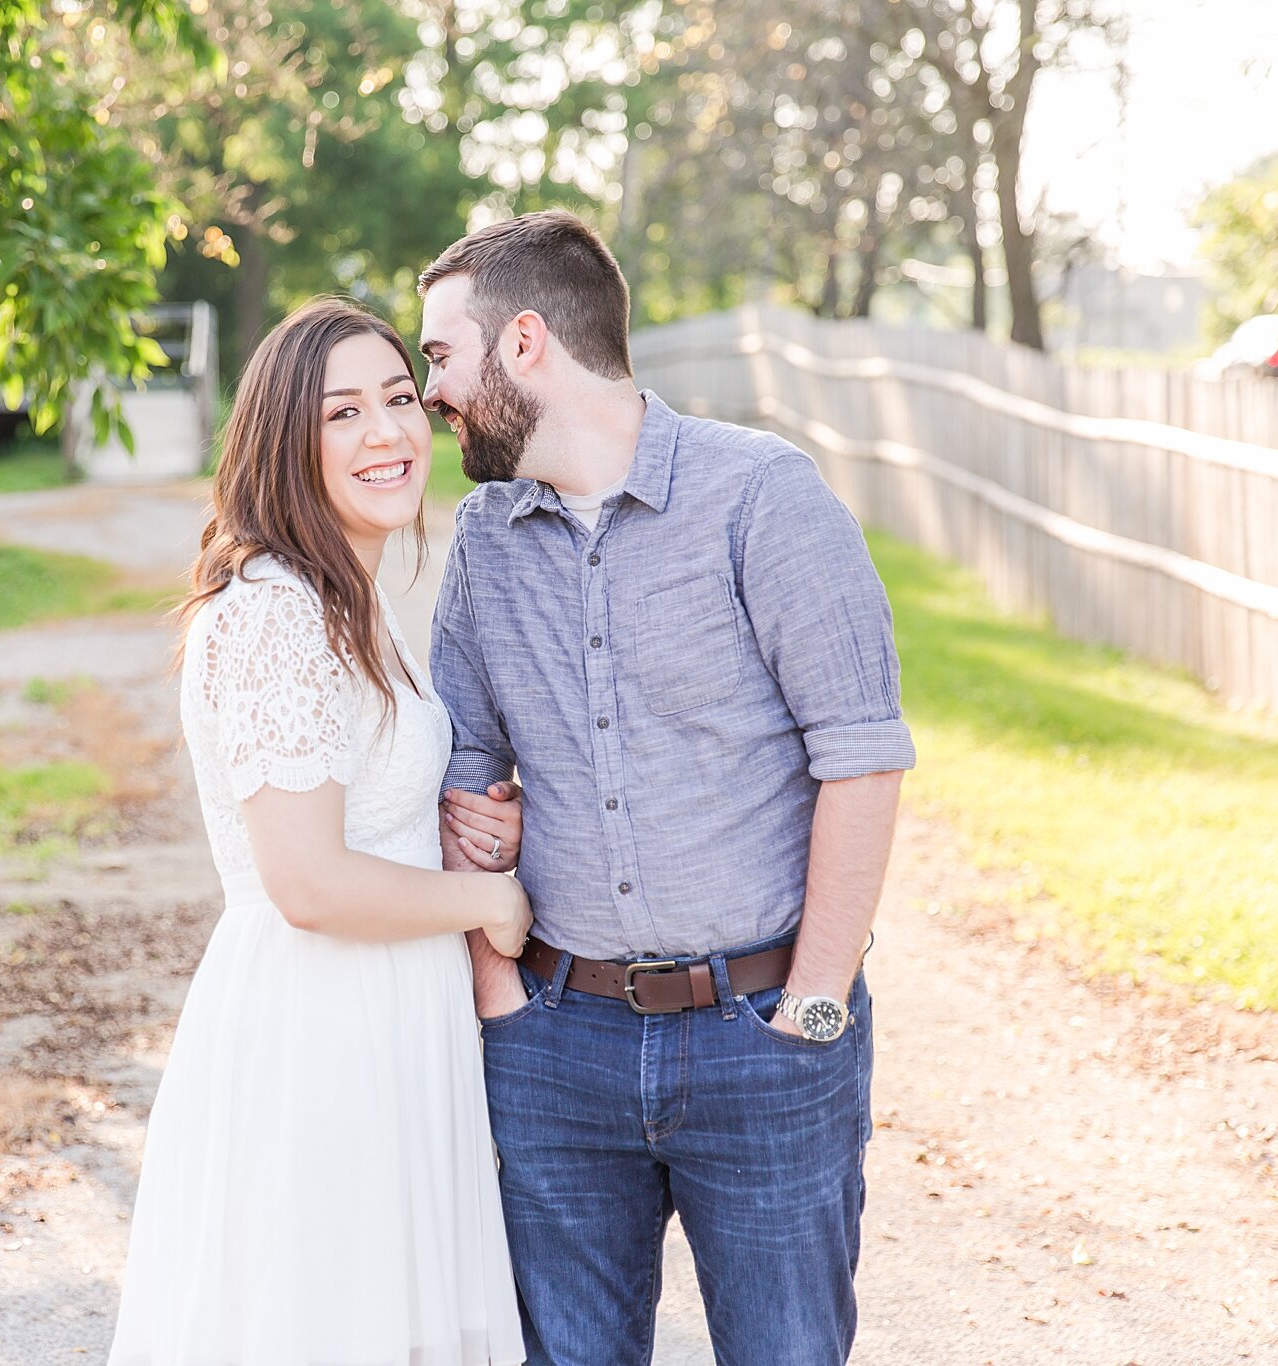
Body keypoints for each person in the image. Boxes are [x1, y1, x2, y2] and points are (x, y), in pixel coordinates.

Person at [423, 211, 916, 1366]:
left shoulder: (762, 499)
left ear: (525, 343)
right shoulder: (484, 542)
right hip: (554, 1045)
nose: (431, 390)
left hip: (764, 1035)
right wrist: (499, 992)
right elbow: (457, 776)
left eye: (441, 356)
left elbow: (860, 753)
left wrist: (812, 1002)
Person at [108, 297, 529, 1366]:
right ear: (283, 440)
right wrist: (489, 899)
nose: (386, 433)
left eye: (398, 398)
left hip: (389, 1016)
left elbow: (352, 806)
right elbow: (306, 880)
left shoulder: (349, 593)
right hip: (318, 1031)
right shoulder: (271, 608)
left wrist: (447, 822)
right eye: (342, 413)